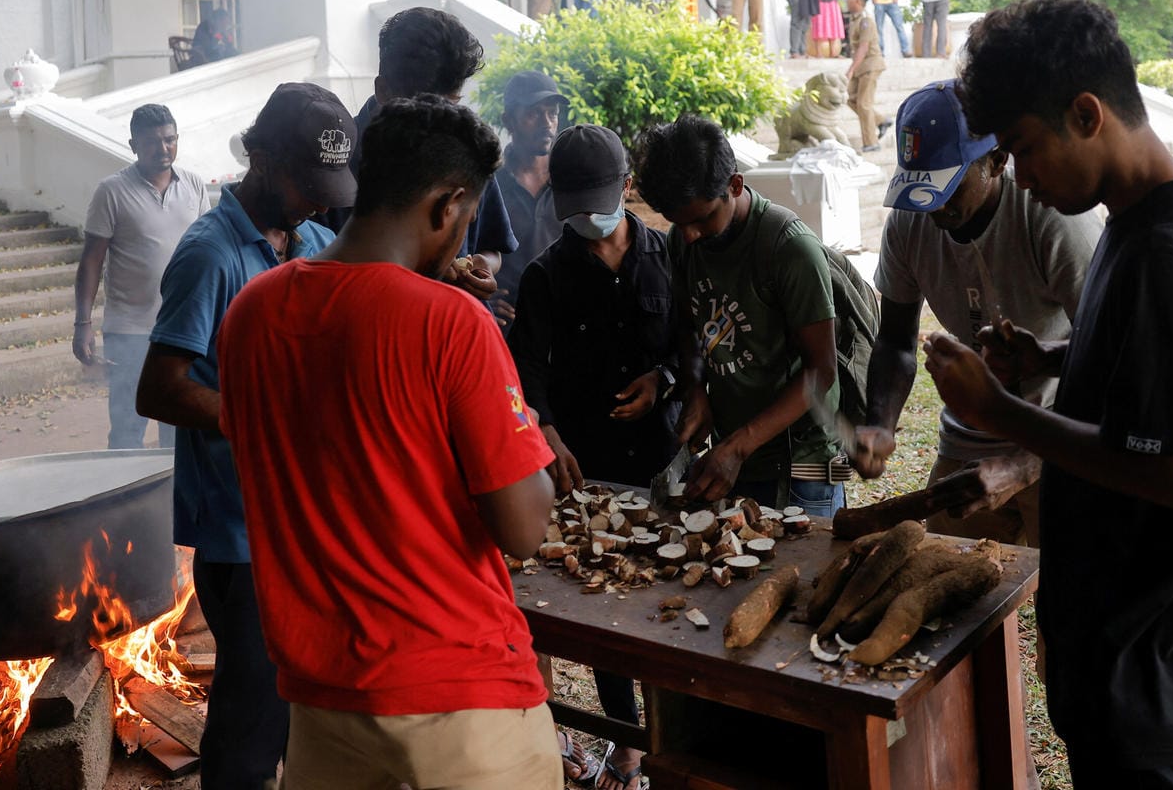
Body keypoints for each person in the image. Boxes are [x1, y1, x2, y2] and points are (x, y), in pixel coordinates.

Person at [921, 0, 1173, 787]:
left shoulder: (1166, 251)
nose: (1024, 179)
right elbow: (1162, 375)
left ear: (1086, 113)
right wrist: (1049, 362)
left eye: (1026, 149)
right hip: (1131, 649)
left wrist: (998, 413)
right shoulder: (1147, 218)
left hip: (1150, 666)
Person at [217, 96, 560, 790]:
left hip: (321, 706)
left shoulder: (251, 313)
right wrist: (533, 440)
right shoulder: (455, 324)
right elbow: (524, 528)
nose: (462, 243)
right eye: (463, 224)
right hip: (462, 703)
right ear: (446, 205)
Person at [135, 84, 359, 788]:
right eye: (307, 184)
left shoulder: (318, 240)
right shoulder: (211, 254)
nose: (321, 203)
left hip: (310, 519)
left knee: (306, 699)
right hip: (242, 532)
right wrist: (256, 416)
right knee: (250, 715)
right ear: (259, 159)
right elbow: (158, 388)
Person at [506, 124, 677, 790]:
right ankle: (626, 743)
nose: (588, 221)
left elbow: (693, 350)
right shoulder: (548, 275)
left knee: (666, 603)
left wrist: (662, 380)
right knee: (605, 608)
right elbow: (525, 372)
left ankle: (668, 741)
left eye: (597, 206)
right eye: (573, 209)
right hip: (585, 466)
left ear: (626, 188)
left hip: (661, 461)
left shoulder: (666, 257)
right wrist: (545, 428)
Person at [859, 82, 1101, 547]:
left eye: (948, 185)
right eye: (920, 188)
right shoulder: (911, 221)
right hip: (970, 433)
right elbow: (894, 340)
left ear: (996, 161)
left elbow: (1111, 360)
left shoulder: (1053, 221)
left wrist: (1028, 463)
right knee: (953, 581)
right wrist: (879, 423)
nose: (934, 205)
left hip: (1062, 429)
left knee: (1076, 594)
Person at [634, 115, 849, 516]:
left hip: (803, 468)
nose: (689, 236)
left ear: (734, 185)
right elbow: (690, 325)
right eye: (677, 223)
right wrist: (696, 388)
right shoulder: (681, 242)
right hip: (736, 458)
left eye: (701, 219)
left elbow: (822, 372)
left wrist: (737, 445)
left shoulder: (790, 249)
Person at [326, 7, 517, 300]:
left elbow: (491, 245)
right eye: (423, 104)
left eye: (450, 103)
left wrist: (482, 268)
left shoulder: (466, 147)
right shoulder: (338, 156)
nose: (440, 122)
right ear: (384, 89)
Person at [75, 103, 209, 449]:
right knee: (127, 425)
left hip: (184, 328)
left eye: (169, 140)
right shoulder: (111, 191)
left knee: (177, 426)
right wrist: (82, 324)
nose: (162, 149)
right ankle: (121, 498)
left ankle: (169, 500)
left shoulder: (193, 185)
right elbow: (91, 260)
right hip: (130, 329)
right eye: (151, 142)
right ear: (133, 145)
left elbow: (209, 252)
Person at [490, 71, 566, 333]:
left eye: (552, 113)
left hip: (565, 322)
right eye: (534, 113)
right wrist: (483, 298)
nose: (547, 123)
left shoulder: (570, 180)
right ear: (508, 120)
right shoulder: (490, 184)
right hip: (510, 327)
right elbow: (469, 254)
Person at [842, 0, 889, 151]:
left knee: (863, 104)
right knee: (851, 99)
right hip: (862, 66)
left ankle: (871, 142)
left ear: (857, 0)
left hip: (870, 64)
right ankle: (881, 120)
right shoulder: (856, 19)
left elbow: (863, 47)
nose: (847, 0)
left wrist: (851, 69)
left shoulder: (866, 21)